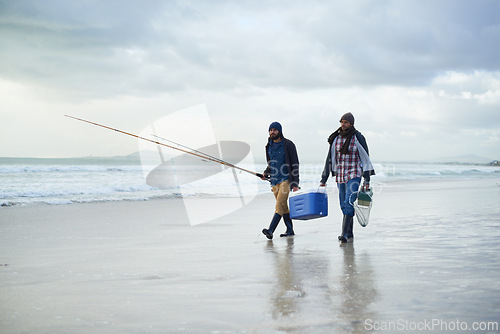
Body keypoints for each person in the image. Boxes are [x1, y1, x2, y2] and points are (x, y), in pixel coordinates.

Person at [320, 112, 375, 243]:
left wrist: (367, 179)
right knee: (343, 204)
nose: (343, 124)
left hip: (354, 173)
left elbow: (365, 158)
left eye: (345, 122)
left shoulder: (358, 137)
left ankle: (343, 234)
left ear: (351, 123)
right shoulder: (336, 138)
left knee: (349, 201)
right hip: (340, 175)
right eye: (341, 122)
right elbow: (330, 159)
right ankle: (350, 233)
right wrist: (324, 178)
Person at [261, 121, 300, 239]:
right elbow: (271, 163)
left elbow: (295, 164)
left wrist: (295, 183)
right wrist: (265, 173)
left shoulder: (288, 144)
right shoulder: (269, 145)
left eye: (275, 130)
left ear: (280, 131)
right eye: (271, 130)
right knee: (283, 206)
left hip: (285, 179)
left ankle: (271, 230)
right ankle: (290, 229)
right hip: (274, 180)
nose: (272, 132)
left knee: (279, 205)